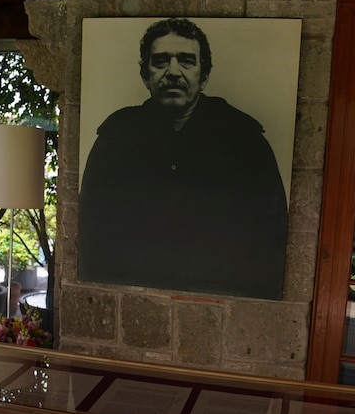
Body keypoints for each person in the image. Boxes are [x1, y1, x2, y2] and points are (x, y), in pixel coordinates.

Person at [79, 17, 288, 300]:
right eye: (161, 61)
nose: (173, 72)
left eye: (187, 61)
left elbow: (270, 240)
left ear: (203, 76)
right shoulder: (115, 140)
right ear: (145, 74)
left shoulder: (245, 142)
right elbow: (92, 235)